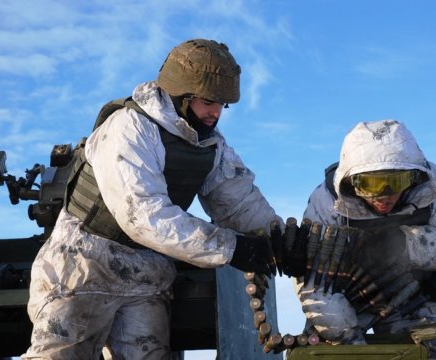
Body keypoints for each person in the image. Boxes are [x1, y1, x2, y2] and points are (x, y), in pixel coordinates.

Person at [22, 39, 281, 359]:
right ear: (181, 94)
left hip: (146, 276)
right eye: (208, 101)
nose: (216, 112)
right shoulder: (129, 127)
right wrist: (233, 248)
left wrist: (278, 238)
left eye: (222, 104)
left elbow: (238, 201)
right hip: (84, 269)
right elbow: (143, 215)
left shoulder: (211, 145)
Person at [296, 119, 436, 357]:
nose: (384, 196)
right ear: (351, 181)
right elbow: (312, 275)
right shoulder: (327, 200)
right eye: (369, 184)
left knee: (419, 354)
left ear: (412, 176)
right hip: (346, 298)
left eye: (395, 182)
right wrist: (344, 335)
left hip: (412, 295)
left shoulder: (435, 185)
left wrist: (403, 245)